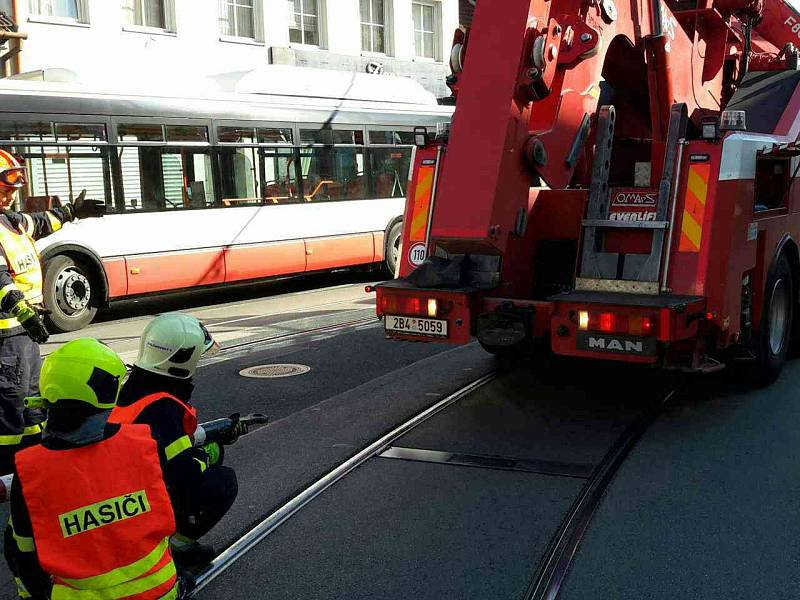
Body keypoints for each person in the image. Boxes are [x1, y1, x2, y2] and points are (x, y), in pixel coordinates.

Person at [5, 338, 183, 600]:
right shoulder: (145, 443)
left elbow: (25, 555)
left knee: (13, 535)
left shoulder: (31, 469)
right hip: (161, 591)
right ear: (107, 393)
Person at [0, 149, 105, 473]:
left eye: (14, 190)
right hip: (7, 335)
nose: (11, 195)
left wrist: (72, 210)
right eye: (6, 189)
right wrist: (22, 310)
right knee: (10, 400)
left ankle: (33, 457)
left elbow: (42, 222)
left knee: (30, 397)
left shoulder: (11, 221)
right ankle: (7, 472)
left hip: (23, 332)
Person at [112, 313, 238, 568]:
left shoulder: (129, 390)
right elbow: (185, 471)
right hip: (141, 502)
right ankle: (174, 545)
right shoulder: (164, 409)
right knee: (223, 480)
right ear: (181, 361)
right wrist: (210, 452)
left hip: (117, 499)